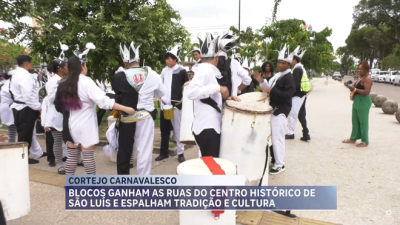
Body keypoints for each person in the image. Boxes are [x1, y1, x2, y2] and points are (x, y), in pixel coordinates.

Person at [54, 43, 135, 175]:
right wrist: (125, 108)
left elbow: (59, 105)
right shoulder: (86, 82)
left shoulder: (63, 83)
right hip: (86, 126)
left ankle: (70, 185)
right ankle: (91, 186)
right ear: (82, 66)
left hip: (70, 126)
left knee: (72, 157)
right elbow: (104, 101)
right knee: (88, 157)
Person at [113, 42, 165, 175]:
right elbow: (161, 94)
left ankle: (123, 184)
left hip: (127, 117)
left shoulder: (119, 76)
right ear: (139, 60)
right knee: (144, 151)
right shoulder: (153, 75)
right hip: (146, 117)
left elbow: (117, 95)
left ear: (125, 62)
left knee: (124, 150)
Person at [187, 34, 239, 157]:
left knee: (209, 166)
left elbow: (208, 95)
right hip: (207, 127)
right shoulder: (206, 69)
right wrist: (218, 88)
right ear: (216, 58)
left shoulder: (205, 69)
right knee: (210, 168)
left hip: (209, 126)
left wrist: (226, 97)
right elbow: (191, 92)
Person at [254, 44, 296, 175]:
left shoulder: (289, 77)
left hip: (280, 111)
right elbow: (267, 87)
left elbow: (286, 95)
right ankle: (276, 160)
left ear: (288, 64)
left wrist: (271, 90)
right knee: (273, 138)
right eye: (279, 62)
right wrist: (261, 81)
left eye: (284, 63)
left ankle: (279, 164)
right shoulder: (278, 75)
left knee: (278, 139)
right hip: (273, 110)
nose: (280, 65)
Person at [10, 55, 46, 164]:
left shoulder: (16, 73)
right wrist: (38, 107)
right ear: (26, 64)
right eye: (31, 63)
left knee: (27, 133)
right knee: (25, 135)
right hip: (26, 108)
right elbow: (28, 96)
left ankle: (30, 153)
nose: (31, 66)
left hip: (20, 107)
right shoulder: (24, 76)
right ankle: (23, 157)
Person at [156, 44, 188, 163]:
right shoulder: (164, 71)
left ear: (175, 59)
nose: (167, 60)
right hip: (165, 105)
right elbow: (160, 85)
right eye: (166, 58)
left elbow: (187, 87)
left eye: (169, 58)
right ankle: (164, 152)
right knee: (164, 130)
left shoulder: (181, 71)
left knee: (178, 129)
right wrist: (159, 98)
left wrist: (183, 100)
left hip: (176, 105)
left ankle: (180, 153)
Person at [43, 42, 70, 174]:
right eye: (66, 66)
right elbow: (51, 99)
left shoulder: (65, 79)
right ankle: (60, 164)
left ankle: (74, 160)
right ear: (60, 68)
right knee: (58, 141)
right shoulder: (53, 81)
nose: (68, 68)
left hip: (68, 113)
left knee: (71, 139)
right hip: (57, 115)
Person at [342, 61, 372, 147]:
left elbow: (366, 92)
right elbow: (355, 88)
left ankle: (365, 141)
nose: (358, 70)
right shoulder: (360, 79)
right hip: (357, 100)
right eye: (358, 68)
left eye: (360, 69)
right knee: (355, 120)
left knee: (363, 121)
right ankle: (353, 138)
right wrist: (350, 86)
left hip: (363, 101)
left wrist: (354, 89)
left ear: (366, 70)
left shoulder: (367, 79)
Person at [286, 46, 310, 141]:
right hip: (302, 95)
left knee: (293, 114)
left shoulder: (297, 69)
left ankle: (291, 133)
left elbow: (295, 85)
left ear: (295, 59)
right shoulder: (301, 68)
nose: (290, 61)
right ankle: (306, 133)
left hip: (297, 95)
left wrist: (290, 94)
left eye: (291, 59)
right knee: (301, 114)